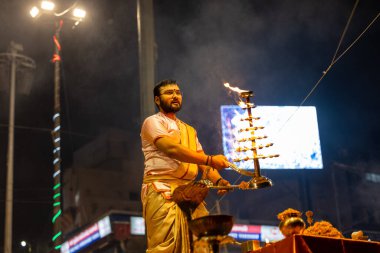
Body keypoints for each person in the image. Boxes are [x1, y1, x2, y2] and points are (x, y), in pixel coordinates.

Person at [140, 79, 231, 253]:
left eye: (178, 92)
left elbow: (201, 161)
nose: (175, 96)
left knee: (201, 244)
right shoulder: (152, 122)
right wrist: (211, 160)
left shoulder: (189, 130)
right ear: (157, 100)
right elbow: (171, 149)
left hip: (190, 194)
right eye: (169, 93)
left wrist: (219, 180)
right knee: (166, 246)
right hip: (162, 190)